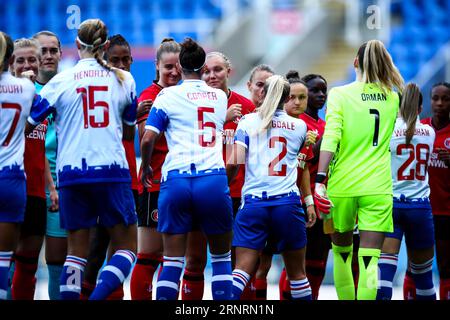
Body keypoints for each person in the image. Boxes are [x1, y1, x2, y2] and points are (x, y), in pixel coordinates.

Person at [26, 18, 138, 300]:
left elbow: (28, 125)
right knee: (127, 249)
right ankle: (98, 296)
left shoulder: (60, 81)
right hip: (112, 171)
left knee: (75, 254)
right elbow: (127, 131)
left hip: (72, 173)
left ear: (77, 45)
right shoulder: (125, 80)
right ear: (107, 45)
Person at [140, 38, 233, 300]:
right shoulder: (218, 96)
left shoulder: (166, 95)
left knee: (172, 261)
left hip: (177, 179)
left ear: (179, 68)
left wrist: (146, 166)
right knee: (221, 259)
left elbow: (148, 138)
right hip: (212, 179)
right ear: (204, 68)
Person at [314, 39, 404, 300]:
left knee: (341, 255)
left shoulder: (340, 94)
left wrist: (321, 179)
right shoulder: (392, 96)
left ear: (355, 62)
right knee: (370, 261)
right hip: (378, 187)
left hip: (342, 185)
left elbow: (331, 137)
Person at [227, 74, 316, 300]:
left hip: (254, 203)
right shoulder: (299, 126)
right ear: (286, 98)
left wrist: (224, 186)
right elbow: (302, 163)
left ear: (263, 94)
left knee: (241, 271)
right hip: (287, 203)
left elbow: (233, 162)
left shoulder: (246, 123)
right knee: (298, 275)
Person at [179, 51, 255, 300]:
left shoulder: (246, 107)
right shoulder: (191, 104)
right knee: (195, 259)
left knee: (236, 262)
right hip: (203, 190)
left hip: (237, 194)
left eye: (218, 70)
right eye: (206, 71)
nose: (212, 76)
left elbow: (246, 156)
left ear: (229, 71)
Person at [80, 34, 140, 300]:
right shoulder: (103, 89)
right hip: (105, 176)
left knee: (119, 251)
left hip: (128, 177)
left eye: (126, 59)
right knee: (95, 250)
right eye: (115, 59)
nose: (122, 64)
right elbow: (126, 134)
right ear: (104, 60)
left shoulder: (128, 86)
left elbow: (130, 138)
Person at [130, 38, 181, 300]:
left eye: (177, 67)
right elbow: (144, 138)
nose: (173, 72)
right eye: (168, 67)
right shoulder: (150, 97)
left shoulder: (182, 95)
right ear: (157, 66)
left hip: (178, 185)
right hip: (155, 184)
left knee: (170, 259)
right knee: (149, 256)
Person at [376, 83, 436, 300]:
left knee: (383, 277)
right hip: (420, 207)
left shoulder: (388, 131)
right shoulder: (429, 132)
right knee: (424, 277)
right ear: (421, 109)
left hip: (391, 205)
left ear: (397, 107)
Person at [8, 38, 50, 300]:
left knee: (28, 264)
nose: (27, 65)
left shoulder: (43, 98)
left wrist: (52, 188)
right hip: (10, 185)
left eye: (31, 59)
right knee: (5, 261)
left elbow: (41, 149)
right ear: (10, 63)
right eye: (20, 60)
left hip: (35, 191)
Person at [31, 30, 67, 301]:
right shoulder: (24, 91)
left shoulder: (69, 88)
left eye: (53, 50)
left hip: (61, 185)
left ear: (61, 53)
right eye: (43, 51)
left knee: (59, 261)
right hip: (28, 182)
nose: (48, 56)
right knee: (23, 259)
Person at [0, 31, 36, 300]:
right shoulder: (25, 88)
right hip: (12, 178)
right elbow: (43, 108)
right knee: (4, 261)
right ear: (11, 58)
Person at [421, 82, 450, 300]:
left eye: (445, 99)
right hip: (420, 209)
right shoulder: (421, 129)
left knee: (445, 265)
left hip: (445, 212)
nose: (439, 103)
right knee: (417, 265)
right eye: (435, 98)